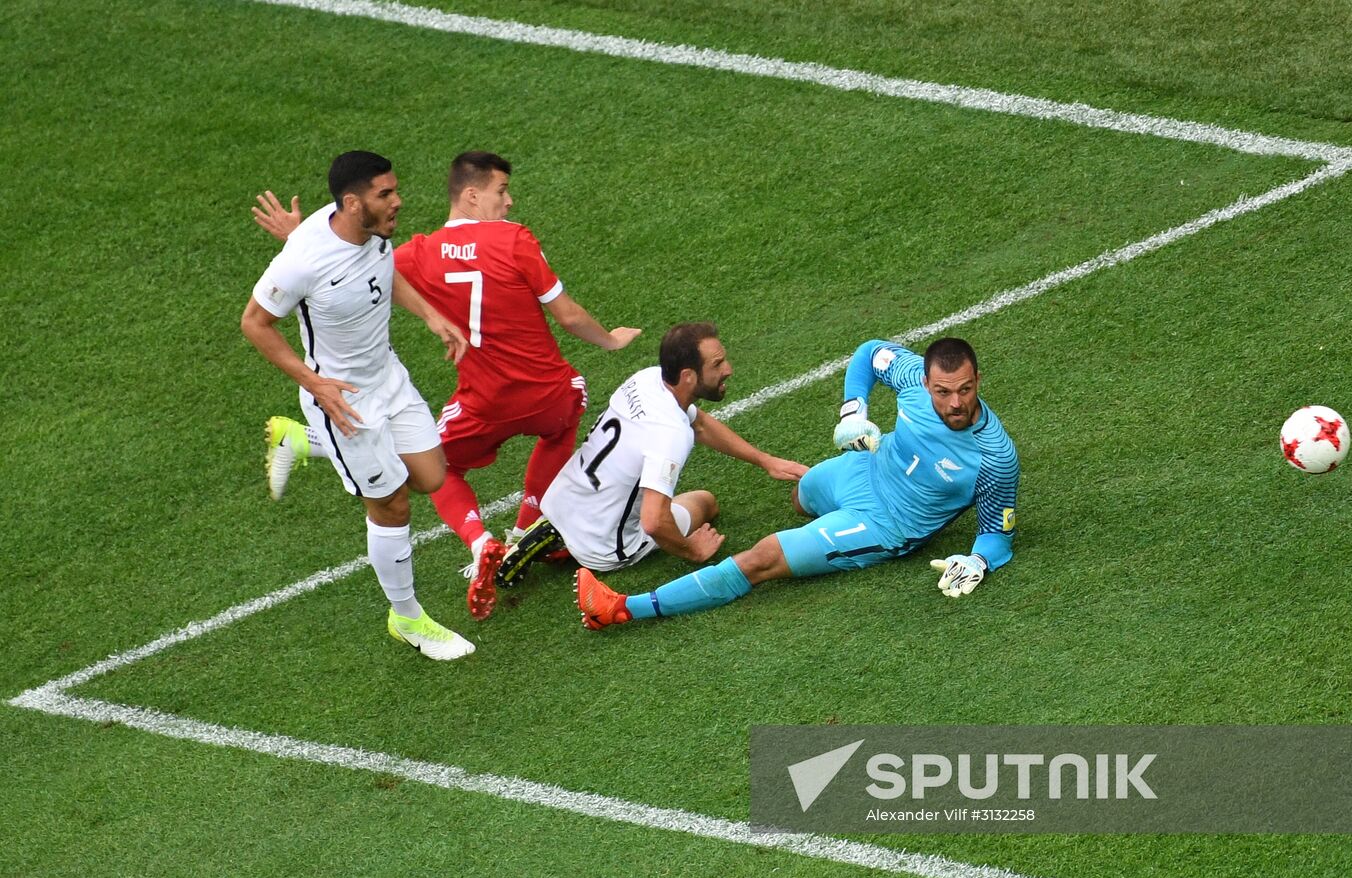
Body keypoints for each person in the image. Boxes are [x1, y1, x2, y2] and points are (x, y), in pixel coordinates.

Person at [252, 151, 641, 621]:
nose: (510, 202)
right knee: (568, 403)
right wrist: (612, 340)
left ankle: (479, 541)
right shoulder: (515, 240)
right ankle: (518, 533)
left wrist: (299, 241)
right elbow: (570, 315)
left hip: (475, 403)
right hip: (542, 394)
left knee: (434, 473)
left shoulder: (418, 250)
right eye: (502, 191)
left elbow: (355, 264)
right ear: (474, 195)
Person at [573, 336, 1019, 628]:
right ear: (925, 382)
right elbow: (867, 353)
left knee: (760, 559)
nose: (955, 403)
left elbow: (997, 537)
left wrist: (979, 561)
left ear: (978, 379)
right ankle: (822, 526)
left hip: (887, 523)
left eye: (964, 389)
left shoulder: (996, 457)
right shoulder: (911, 380)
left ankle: (622, 608)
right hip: (864, 469)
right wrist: (853, 411)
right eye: (942, 392)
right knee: (800, 498)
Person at [241, 150, 475, 661]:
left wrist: (431, 316)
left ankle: (298, 440)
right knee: (391, 502)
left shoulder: (372, 234)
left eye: (394, 190)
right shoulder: (302, 260)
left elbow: (381, 274)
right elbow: (255, 323)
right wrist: (315, 384)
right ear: (352, 202)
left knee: (431, 476)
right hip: (343, 401)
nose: (398, 201)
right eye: (385, 194)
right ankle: (408, 618)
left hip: (389, 378)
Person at [495, 323, 809, 585]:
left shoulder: (646, 379)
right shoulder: (670, 433)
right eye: (717, 365)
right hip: (605, 546)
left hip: (561, 500)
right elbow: (653, 522)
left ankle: (562, 534)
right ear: (688, 375)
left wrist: (764, 460)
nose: (728, 369)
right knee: (705, 502)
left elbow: (699, 423)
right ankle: (572, 549)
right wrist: (692, 551)